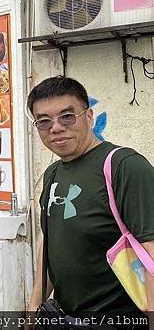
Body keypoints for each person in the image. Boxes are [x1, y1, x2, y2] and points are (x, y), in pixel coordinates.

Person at [27, 76, 154, 317]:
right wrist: (34, 305)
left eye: (67, 116)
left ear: (88, 116)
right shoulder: (52, 173)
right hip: (66, 317)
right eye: (44, 121)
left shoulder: (123, 166)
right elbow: (50, 241)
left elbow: (151, 250)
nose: (55, 127)